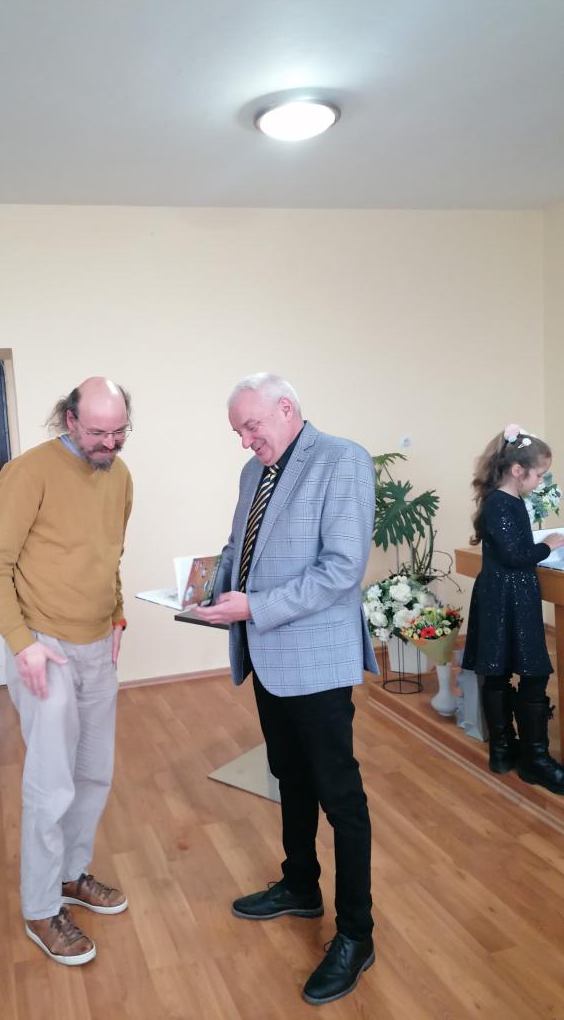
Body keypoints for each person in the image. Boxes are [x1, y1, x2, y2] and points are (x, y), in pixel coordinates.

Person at [194, 373, 377, 1007]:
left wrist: (254, 607)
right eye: (238, 432)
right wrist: (202, 590)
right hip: (268, 656)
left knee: (339, 796)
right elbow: (239, 548)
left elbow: (342, 569)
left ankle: (356, 934)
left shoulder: (342, 460)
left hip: (317, 661)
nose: (245, 441)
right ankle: (300, 885)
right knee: (289, 778)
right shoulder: (254, 473)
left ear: (287, 408)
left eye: (251, 427)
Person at [0, 377, 133, 966]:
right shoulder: (28, 473)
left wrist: (116, 614)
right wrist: (23, 646)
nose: (109, 444)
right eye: (97, 432)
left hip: (97, 643)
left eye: (119, 432)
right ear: (69, 420)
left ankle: (71, 874)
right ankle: (41, 908)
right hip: (43, 645)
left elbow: (110, 553)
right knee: (51, 784)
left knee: (94, 773)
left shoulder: (120, 475)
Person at [462, 424, 564, 793]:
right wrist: (548, 545)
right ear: (517, 470)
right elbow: (515, 555)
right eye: (539, 474)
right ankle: (531, 758)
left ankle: (507, 752)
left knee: (504, 671)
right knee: (526, 672)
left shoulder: (504, 500)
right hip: (508, 598)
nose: (540, 481)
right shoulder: (500, 503)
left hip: (506, 594)